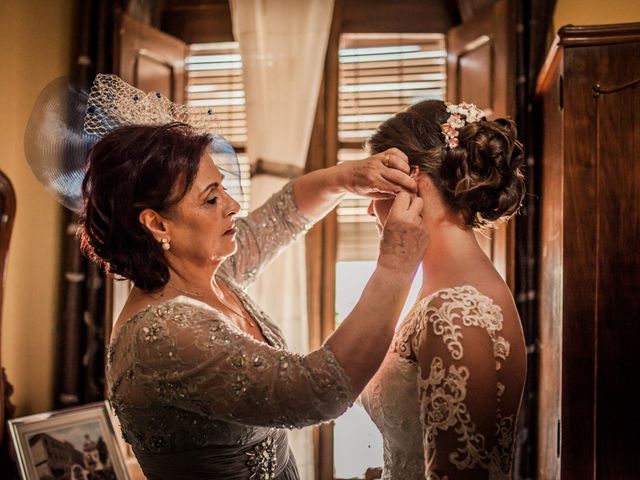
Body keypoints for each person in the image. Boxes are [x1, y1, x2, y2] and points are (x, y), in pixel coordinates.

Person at [78, 119, 428, 480]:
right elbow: (316, 391)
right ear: (158, 224)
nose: (233, 205)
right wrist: (396, 267)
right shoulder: (162, 333)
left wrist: (346, 178)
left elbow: (284, 215)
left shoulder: (209, 274)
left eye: (224, 189)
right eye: (211, 198)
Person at [359, 100, 527, 479]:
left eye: (375, 188)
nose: (371, 210)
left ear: (410, 180)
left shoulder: (453, 310)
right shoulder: (443, 290)